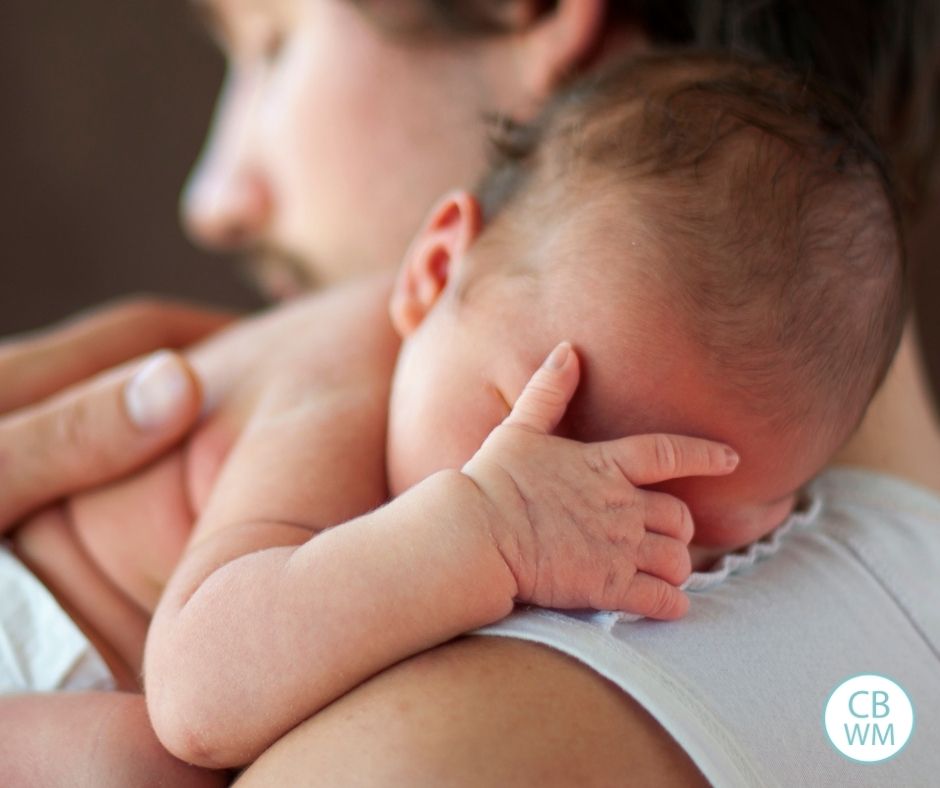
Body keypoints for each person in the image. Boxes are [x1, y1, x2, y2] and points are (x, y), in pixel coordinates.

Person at [0, 0, 937, 784]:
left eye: (676, 526)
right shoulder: (341, 378)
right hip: (35, 632)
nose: (584, 529)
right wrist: (485, 527)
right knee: (136, 765)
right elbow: (200, 693)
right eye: (528, 426)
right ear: (436, 265)